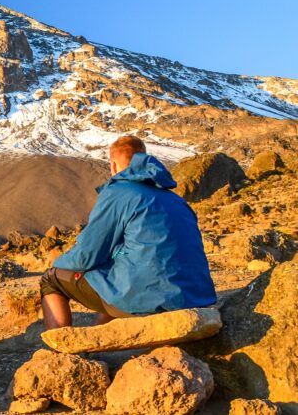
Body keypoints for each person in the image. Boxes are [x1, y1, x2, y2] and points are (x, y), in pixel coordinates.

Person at [40, 135, 217, 330]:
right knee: (113, 272)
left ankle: (59, 349)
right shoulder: (176, 199)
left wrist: (57, 265)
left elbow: (86, 256)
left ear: (113, 166)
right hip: (196, 297)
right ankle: (100, 335)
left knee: (51, 279)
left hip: (149, 299)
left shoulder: (119, 193)